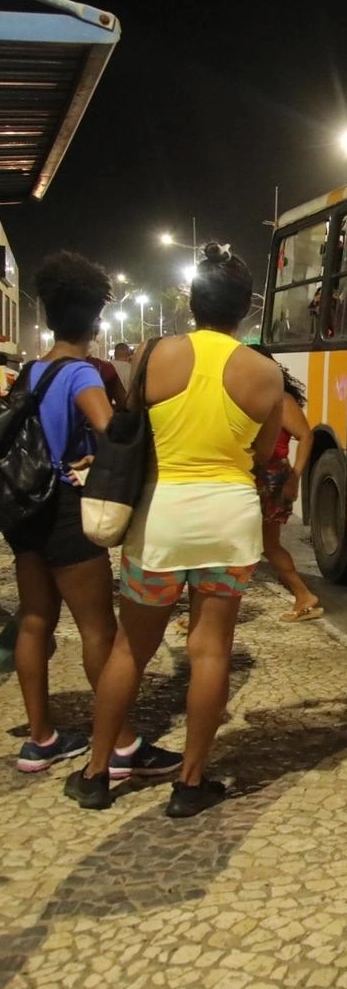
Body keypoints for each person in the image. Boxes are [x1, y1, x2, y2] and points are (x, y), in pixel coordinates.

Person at [66, 243, 283, 817]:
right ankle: (190, 784)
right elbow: (262, 455)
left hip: (162, 518)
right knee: (211, 651)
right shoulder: (267, 373)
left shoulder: (154, 352)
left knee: (131, 649)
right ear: (246, 310)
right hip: (229, 520)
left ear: (192, 303)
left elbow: (131, 427)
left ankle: (95, 773)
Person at [4, 252, 179, 777]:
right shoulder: (80, 372)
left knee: (34, 620)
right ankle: (122, 744)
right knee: (99, 630)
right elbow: (113, 434)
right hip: (62, 509)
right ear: (94, 319)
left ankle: (41, 738)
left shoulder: (31, 370)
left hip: (23, 508)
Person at [256, 350, 322, 622]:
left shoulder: (281, 399)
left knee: (261, 544)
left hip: (271, 476)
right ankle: (303, 595)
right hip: (259, 474)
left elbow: (306, 436)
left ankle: (304, 595)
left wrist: (295, 475)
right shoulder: (255, 396)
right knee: (263, 544)